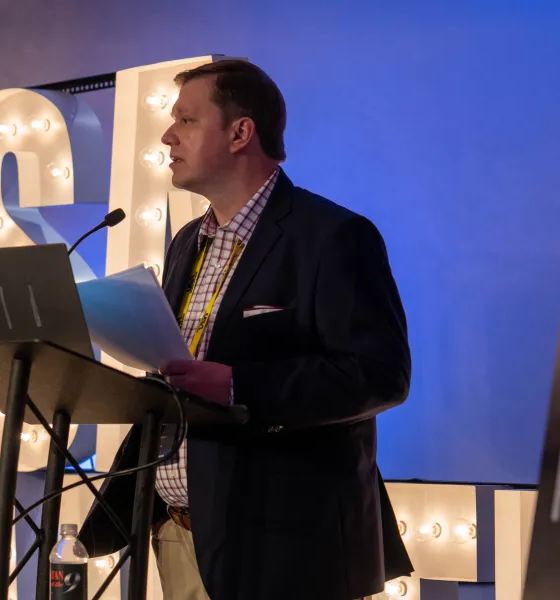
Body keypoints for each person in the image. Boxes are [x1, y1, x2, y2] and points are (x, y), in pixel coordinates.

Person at [79, 59, 414, 599]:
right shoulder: (189, 240)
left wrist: (239, 387)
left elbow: (379, 375)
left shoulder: (332, 236)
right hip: (179, 538)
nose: (168, 136)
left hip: (284, 551)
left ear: (240, 132)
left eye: (186, 121)